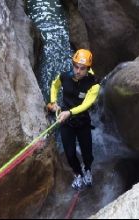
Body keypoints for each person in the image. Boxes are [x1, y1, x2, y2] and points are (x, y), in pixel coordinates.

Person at [47, 49, 100, 190]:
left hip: (82, 120)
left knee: (87, 152)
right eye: (76, 66)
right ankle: (78, 173)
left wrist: (69, 112)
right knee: (70, 154)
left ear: (88, 69)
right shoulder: (65, 76)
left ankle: (87, 169)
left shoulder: (93, 84)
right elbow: (54, 85)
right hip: (66, 121)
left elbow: (86, 104)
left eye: (82, 68)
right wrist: (53, 102)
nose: (78, 71)